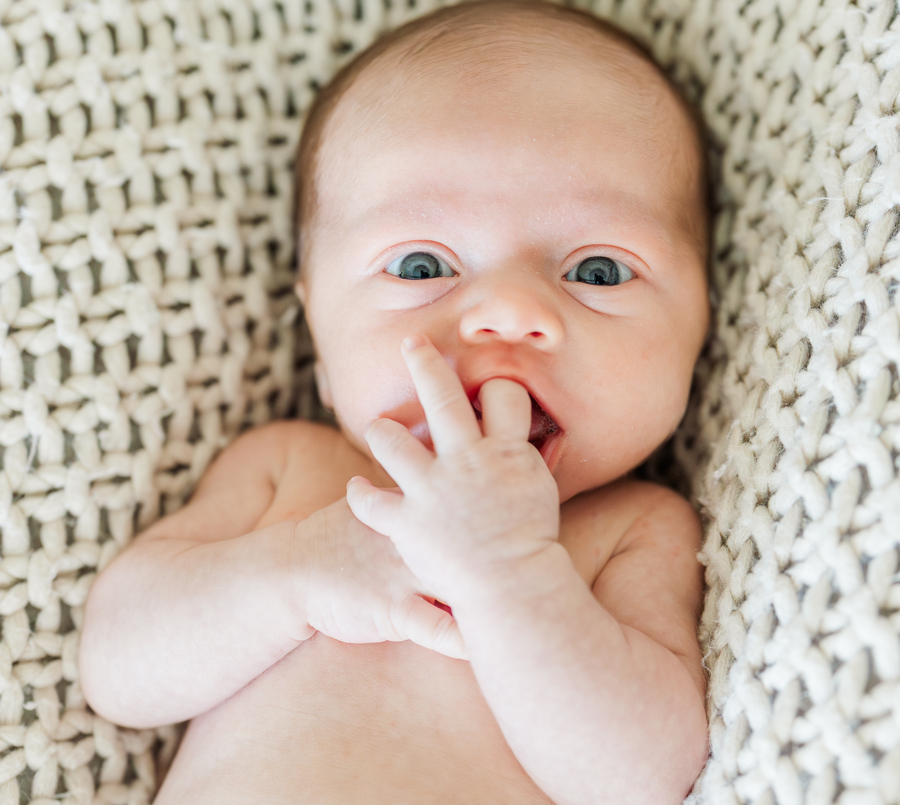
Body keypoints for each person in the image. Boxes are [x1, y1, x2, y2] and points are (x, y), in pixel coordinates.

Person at [79, 1, 712, 802]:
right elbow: (117, 669)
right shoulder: (288, 470)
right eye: (420, 266)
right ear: (317, 332)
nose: (506, 312)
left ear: (702, 328)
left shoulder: (632, 531)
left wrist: (510, 574)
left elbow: (640, 776)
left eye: (597, 271)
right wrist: (297, 571)